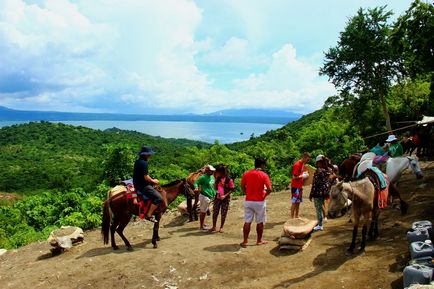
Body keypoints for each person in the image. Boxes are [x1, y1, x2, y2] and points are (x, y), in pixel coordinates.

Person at [240, 157, 272, 248]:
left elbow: (242, 185)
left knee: (247, 221)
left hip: (248, 200)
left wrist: (246, 193)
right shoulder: (264, 175)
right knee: (260, 221)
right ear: (262, 165)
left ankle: (245, 241)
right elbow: (269, 189)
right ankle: (259, 240)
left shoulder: (246, 173)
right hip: (259, 202)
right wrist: (264, 195)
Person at [133, 146, 163, 223]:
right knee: (159, 198)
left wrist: (152, 180)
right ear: (146, 155)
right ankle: (149, 215)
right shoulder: (144, 163)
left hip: (136, 183)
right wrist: (154, 181)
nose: (151, 155)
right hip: (142, 185)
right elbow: (146, 177)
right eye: (150, 154)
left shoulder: (138, 161)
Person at [309, 155, 332, 231]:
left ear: (319, 162)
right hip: (324, 193)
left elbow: (315, 184)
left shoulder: (318, 171)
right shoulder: (327, 171)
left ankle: (320, 225)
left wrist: (311, 194)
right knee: (321, 206)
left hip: (317, 193)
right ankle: (321, 223)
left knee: (318, 209)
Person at [210, 165, 235, 233]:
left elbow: (232, 189)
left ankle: (221, 227)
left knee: (223, 213)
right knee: (215, 212)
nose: (216, 173)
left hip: (225, 199)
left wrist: (225, 195)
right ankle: (214, 226)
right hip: (217, 197)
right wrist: (216, 183)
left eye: (217, 172)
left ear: (221, 172)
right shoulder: (218, 179)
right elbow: (215, 188)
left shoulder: (229, 180)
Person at [194, 165, 216, 231]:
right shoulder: (203, 177)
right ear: (207, 171)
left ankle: (203, 223)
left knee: (205, 210)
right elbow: (196, 183)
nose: (212, 172)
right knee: (203, 211)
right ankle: (201, 227)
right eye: (211, 171)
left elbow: (212, 186)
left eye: (213, 171)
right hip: (204, 196)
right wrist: (196, 187)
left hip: (210, 196)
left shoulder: (212, 177)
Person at [290, 152, 311, 219]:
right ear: (304, 157)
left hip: (299, 186)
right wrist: (303, 176)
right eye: (307, 159)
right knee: (294, 202)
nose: (308, 161)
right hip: (295, 187)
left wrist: (304, 174)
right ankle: (292, 218)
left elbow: (299, 174)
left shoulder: (302, 164)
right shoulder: (297, 164)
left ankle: (296, 216)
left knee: (298, 202)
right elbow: (294, 177)